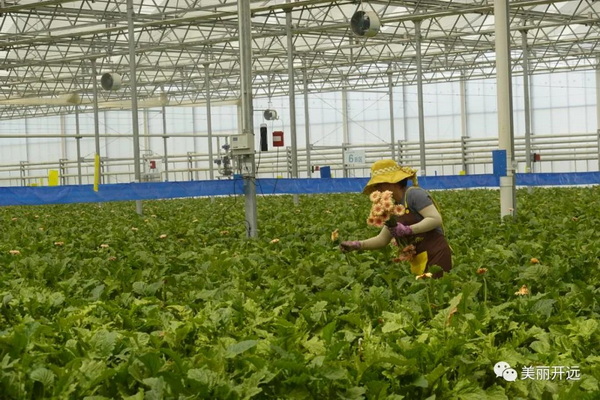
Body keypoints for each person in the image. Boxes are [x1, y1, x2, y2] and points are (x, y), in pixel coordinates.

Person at [340, 159, 452, 278]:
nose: (377, 189)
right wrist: (357, 245)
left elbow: (435, 219)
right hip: (418, 258)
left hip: (436, 254)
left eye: (379, 184)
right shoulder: (391, 206)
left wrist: (408, 230)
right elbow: (382, 239)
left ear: (393, 181)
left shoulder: (414, 194)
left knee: (436, 286)